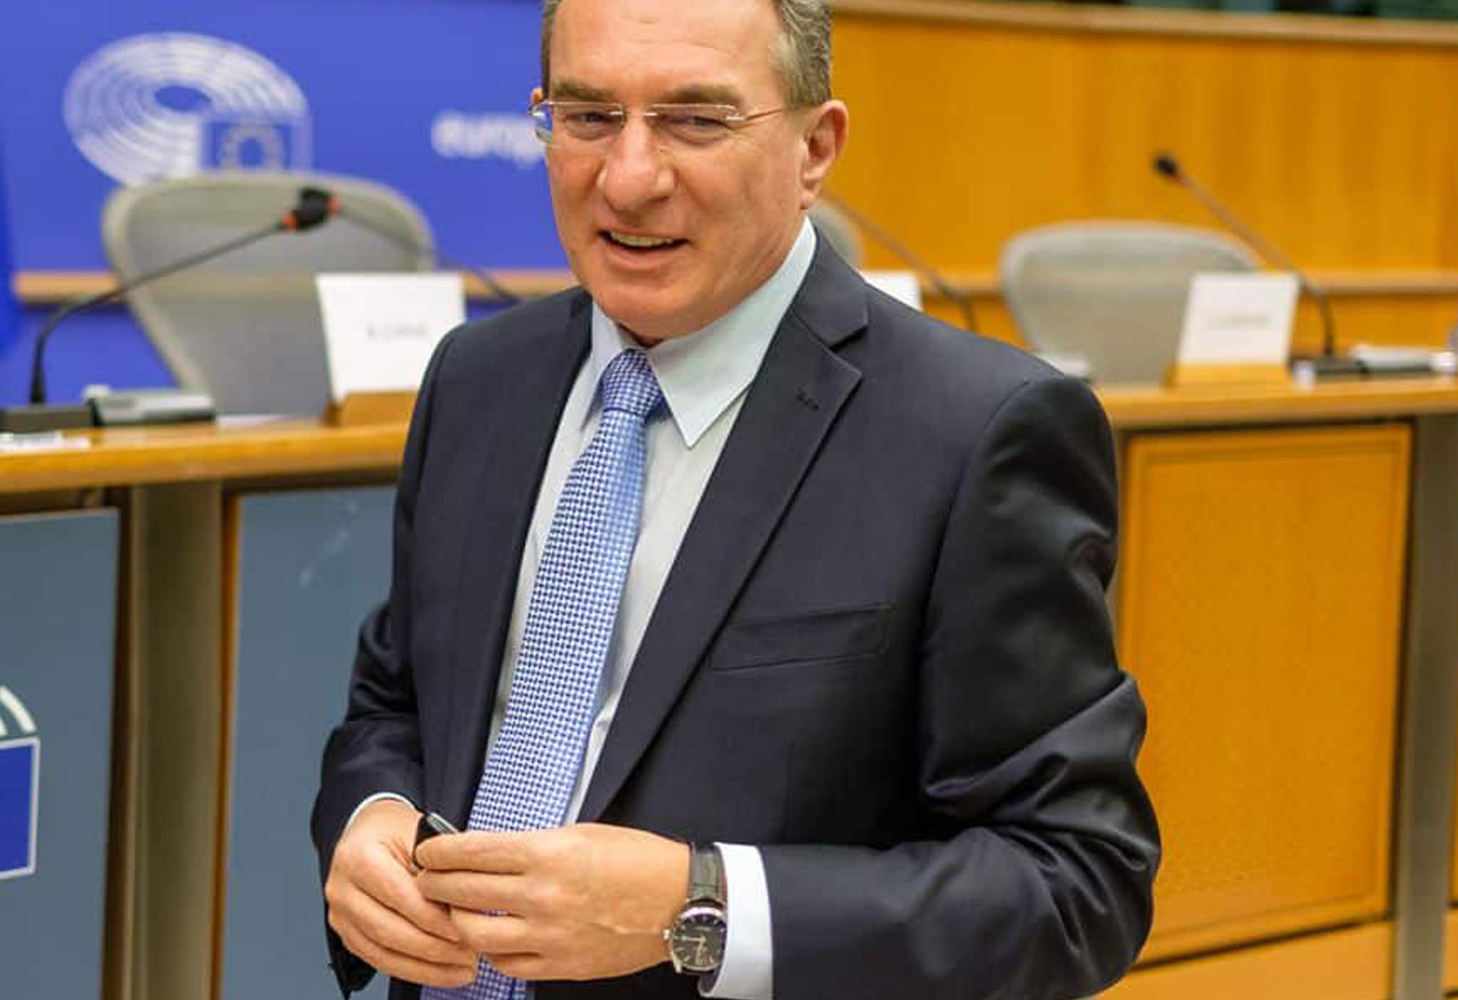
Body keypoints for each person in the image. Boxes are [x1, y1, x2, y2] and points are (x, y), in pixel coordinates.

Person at [311, 0, 1160, 997]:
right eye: (589, 117)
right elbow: (398, 702)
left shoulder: (977, 433)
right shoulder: (477, 379)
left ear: (815, 148)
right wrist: (370, 814)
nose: (628, 178)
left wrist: (701, 906)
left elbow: (1077, 882)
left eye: (695, 120)